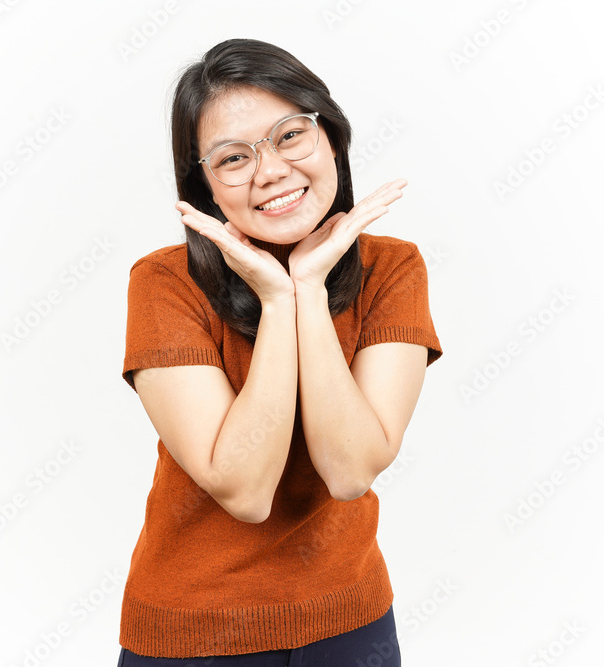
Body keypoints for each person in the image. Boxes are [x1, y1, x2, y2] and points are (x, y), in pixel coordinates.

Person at [118, 38, 442, 666]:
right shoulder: (163, 283)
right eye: (233, 157)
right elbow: (246, 490)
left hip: (352, 622)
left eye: (290, 136)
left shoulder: (392, 269)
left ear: (332, 140)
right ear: (206, 187)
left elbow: (350, 473)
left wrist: (311, 289)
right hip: (195, 634)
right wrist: (277, 301)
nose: (268, 172)